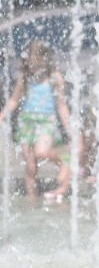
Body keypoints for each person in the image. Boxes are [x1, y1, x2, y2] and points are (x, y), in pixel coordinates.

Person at [0, 39, 71, 199]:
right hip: (26, 122)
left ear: (46, 60)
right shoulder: (24, 77)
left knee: (41, 152)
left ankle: (65, 160)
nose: (35, 66)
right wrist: (2, 115)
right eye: (31, 62)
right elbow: (14, 99)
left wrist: (68, 126)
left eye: (38, 62)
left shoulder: (55, 78)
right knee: (30, 165)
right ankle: (32, 200)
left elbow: (61, 105)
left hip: (46, 122)